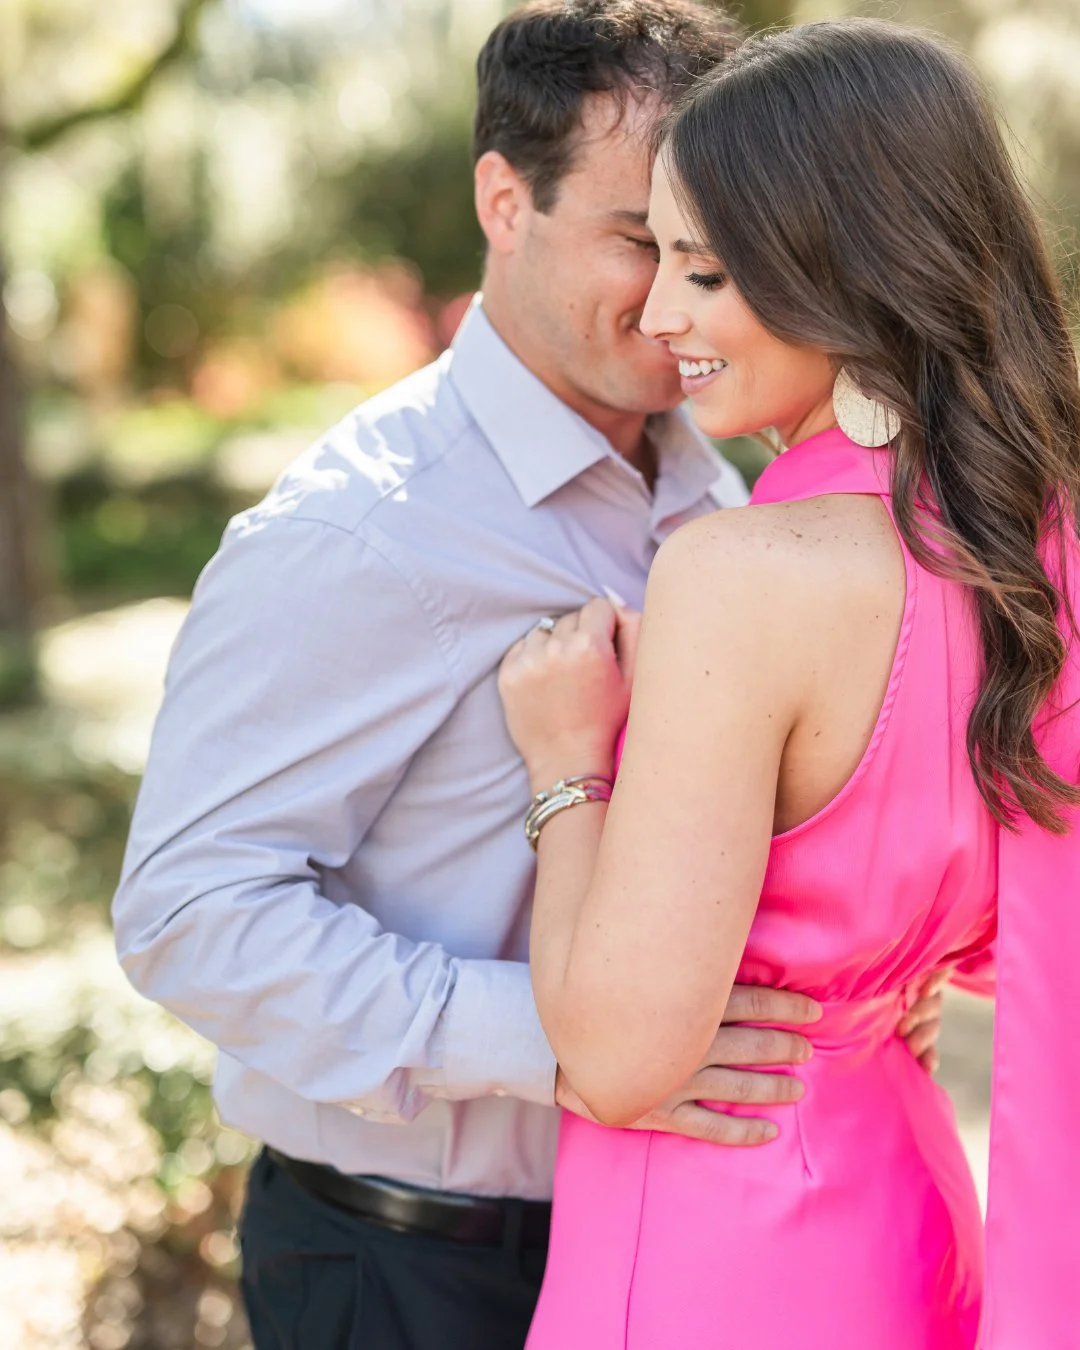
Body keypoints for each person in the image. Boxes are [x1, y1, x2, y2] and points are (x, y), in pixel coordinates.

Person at [111, 5, 947, 1348]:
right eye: (641, 242)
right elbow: (188, 911)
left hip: (673, 1243)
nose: (678, 295)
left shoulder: (715, 492)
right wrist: (567, 1043)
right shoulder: (362, 532)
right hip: (410, 1266)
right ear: (505, 200)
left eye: (712, 251)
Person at [497, 18, 1079, 1350]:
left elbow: (621, 1054)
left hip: (717, 1240)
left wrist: (564, 768)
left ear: (850, 267)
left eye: (704, 271)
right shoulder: (1028, 556)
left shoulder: (742, 575)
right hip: (911, 1209)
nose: (659, 317)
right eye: (656, 262)